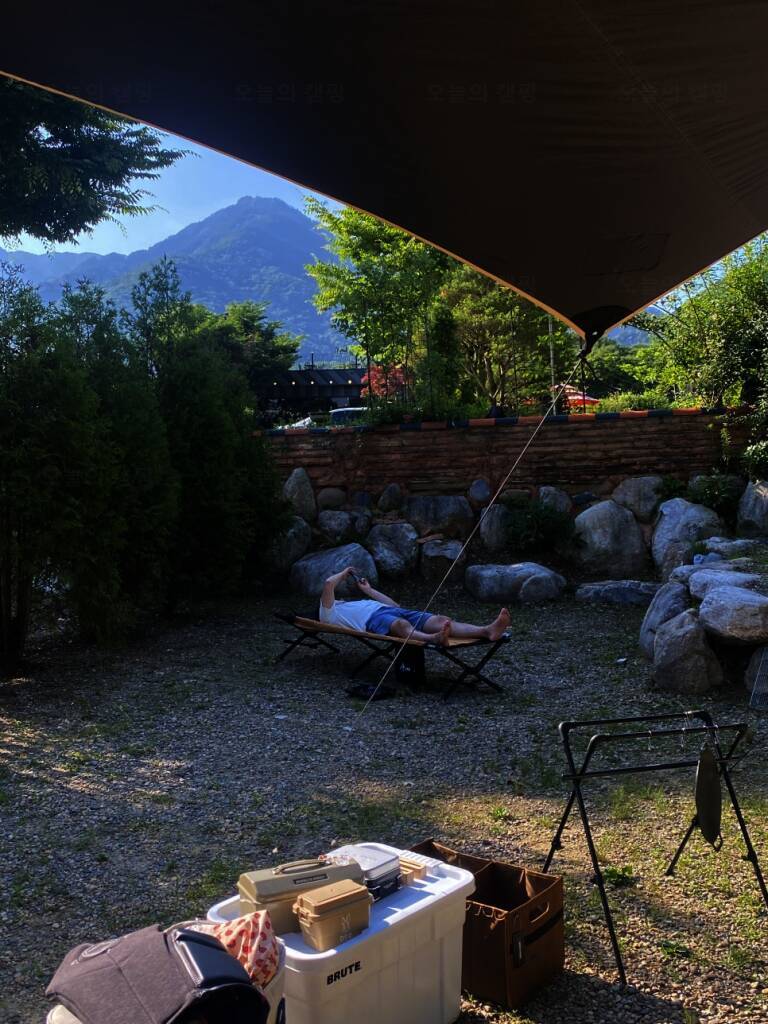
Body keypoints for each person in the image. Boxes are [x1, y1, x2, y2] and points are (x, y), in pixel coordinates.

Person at [320, 566, 510, 644]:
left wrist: (368, 591)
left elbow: (394, 605)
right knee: (401, 625)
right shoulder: (328, 614)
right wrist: (344, 573)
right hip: (373, 620)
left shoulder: (353, 603)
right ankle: (432, 638)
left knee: (440, 620)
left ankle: (487, 630)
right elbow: (329, 583)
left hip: (388, 611)